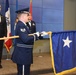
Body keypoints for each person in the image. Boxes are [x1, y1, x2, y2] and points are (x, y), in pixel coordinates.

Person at [11, 7, 39, 75]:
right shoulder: (21, 25)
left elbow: (28, 36)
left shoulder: (23, 25)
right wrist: (35, 36)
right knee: (23, 73)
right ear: (23, 16)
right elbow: (25, 39)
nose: (29, 17)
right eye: (27, 15)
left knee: (26, 72)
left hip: (25, 54)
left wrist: (37, 35)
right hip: (23, 55)